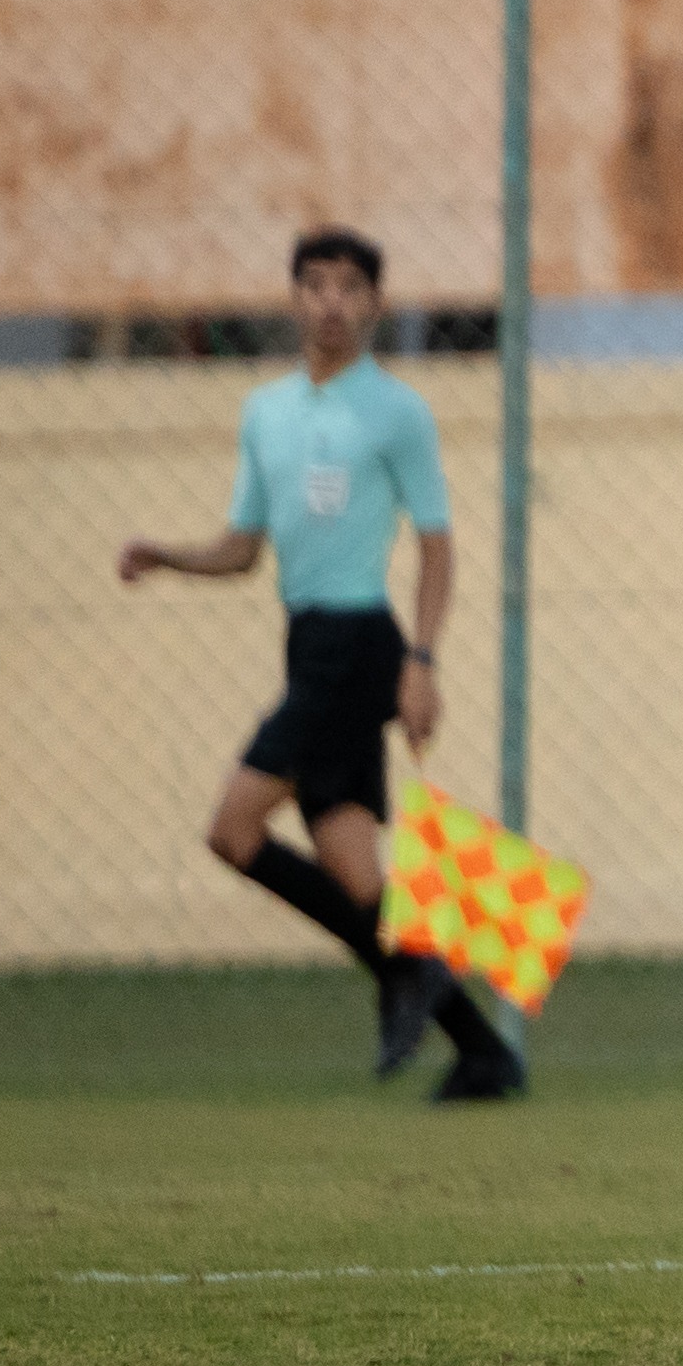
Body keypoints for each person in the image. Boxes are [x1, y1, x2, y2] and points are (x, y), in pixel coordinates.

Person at [121, 227, 524, 1102]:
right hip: (307, 641)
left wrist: (421, 660)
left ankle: (403, 972)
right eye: (314, 285)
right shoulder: (266, 411)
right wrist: (166, 555)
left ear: (375, 304)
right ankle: (482, 1050)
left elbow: (437, 545)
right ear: (294, 298)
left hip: (360, 644)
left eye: (348, 287)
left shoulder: (396, 412)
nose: (330, 302)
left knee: (232, 829)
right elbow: (242, 550)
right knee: (356, 874)